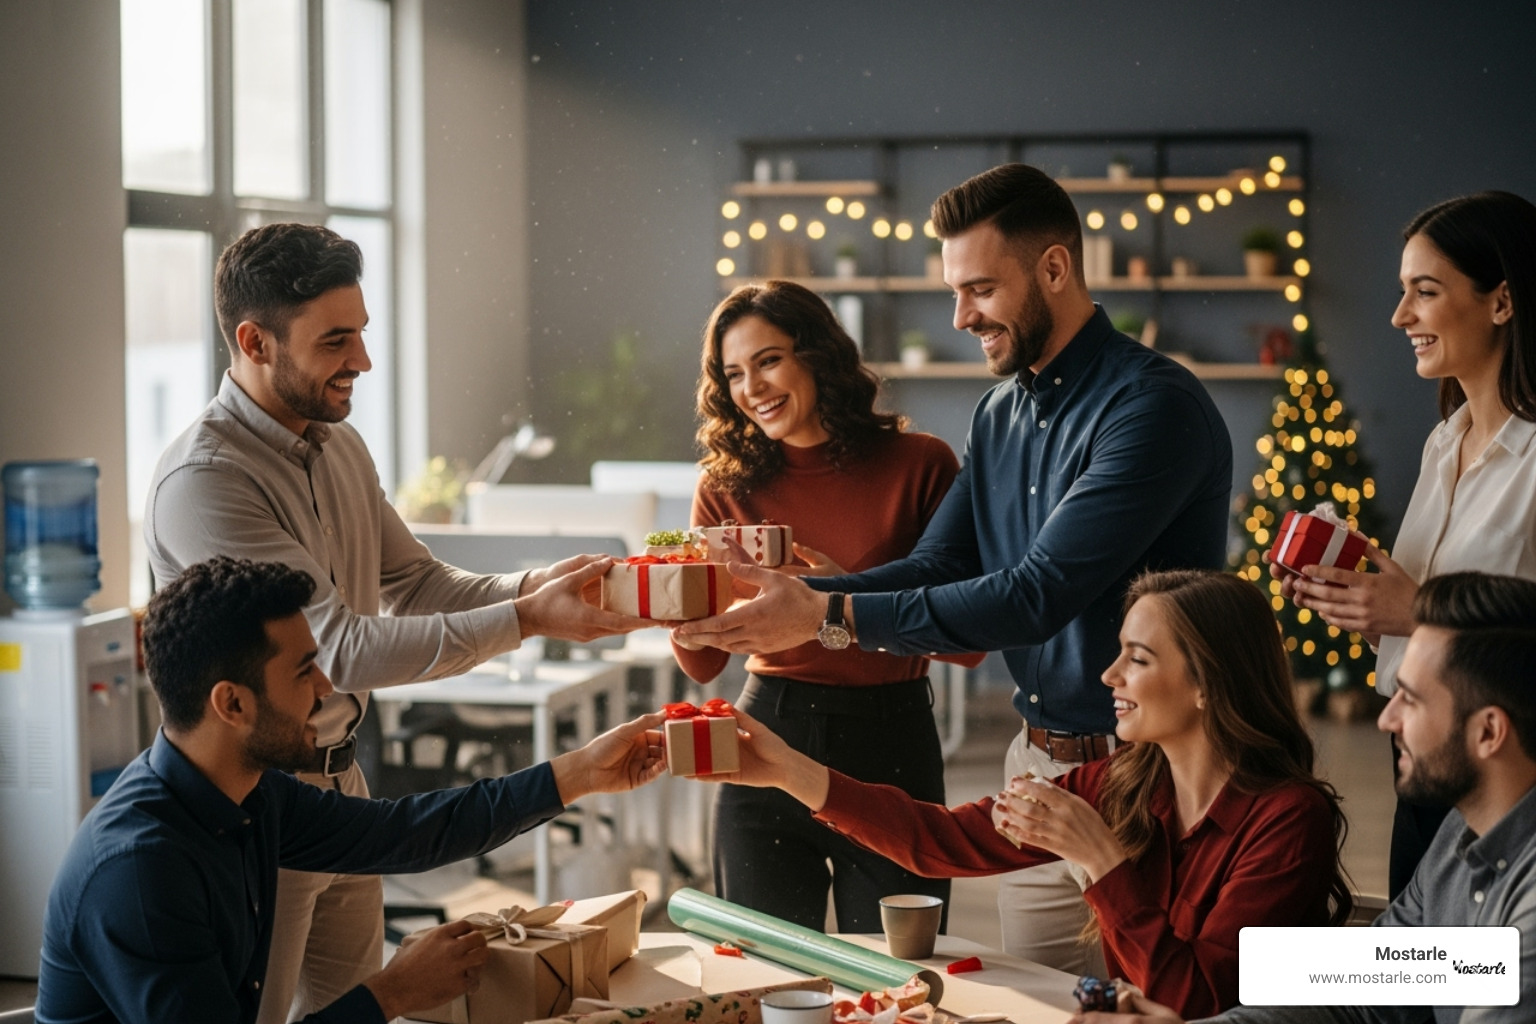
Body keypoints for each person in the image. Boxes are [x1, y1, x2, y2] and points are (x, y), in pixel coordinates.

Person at [676, 163, 1234, 973]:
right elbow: (938, 563)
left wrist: (823, 614)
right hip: (1037, 768)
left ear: (1054, 268)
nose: (961, 316)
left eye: (979, 289)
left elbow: (1036, 594)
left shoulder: (1152, 408)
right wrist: (800, 599)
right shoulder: (1001, 412)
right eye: (952, 292)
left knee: (1165, 994)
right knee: (1045, 1000)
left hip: (1151, 771)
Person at [143, 222, 652, 1024]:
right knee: (267, 1016)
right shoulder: (206, 481)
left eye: (363, 334)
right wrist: (523, 620)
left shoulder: (338, 445)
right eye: (336, 341)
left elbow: (414, 580)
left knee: (361, 1009)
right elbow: (338, 649)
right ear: (255, 341)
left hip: (342, 776)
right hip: (255, 797)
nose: (363, 363)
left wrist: (535, 588)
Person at [37, 556, 667, 1024]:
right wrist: (392, 993)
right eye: (302, 670)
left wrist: (580, 772)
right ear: (231, 703)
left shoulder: (248, 793)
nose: (327, 687)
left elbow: (401, 833)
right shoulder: (142, 872)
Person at [709, 569, 1348, 1019]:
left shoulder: (1289, 820)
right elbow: (941, 841)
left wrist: (1102, 861)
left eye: (1138, 658)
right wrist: (785, 769)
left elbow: (1195, 1004)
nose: (1109, 675)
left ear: (1207, 684)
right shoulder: (1124, 780)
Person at [1070, 571, 1536, 1024]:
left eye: (1410, 699)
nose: (1385, 720)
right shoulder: (1458, 836)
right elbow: (1365, 995)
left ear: (1488, 732)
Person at [673, 279, 982, 933]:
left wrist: (844, 599)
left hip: (890, 744)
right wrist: (677, 602)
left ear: (816, 354)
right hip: (767, 734)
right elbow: (699, 666)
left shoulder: (920, 464)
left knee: (896, 978)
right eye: (733, 373)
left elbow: (970, 639)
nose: (751, 387)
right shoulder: (723, 486)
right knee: (767, 981)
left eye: (769, 360)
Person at [1282, 191, 1536, 898]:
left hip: (1507, 790)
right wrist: (1368, 607)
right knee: (1414, 985)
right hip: (1421, 762)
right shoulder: (1443, 442)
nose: (1401, 317)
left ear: (1503, 302)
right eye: (1402, 292)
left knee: (1477, 988)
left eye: (1425, 292)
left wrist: (1418, 608)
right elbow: (1420, 616)